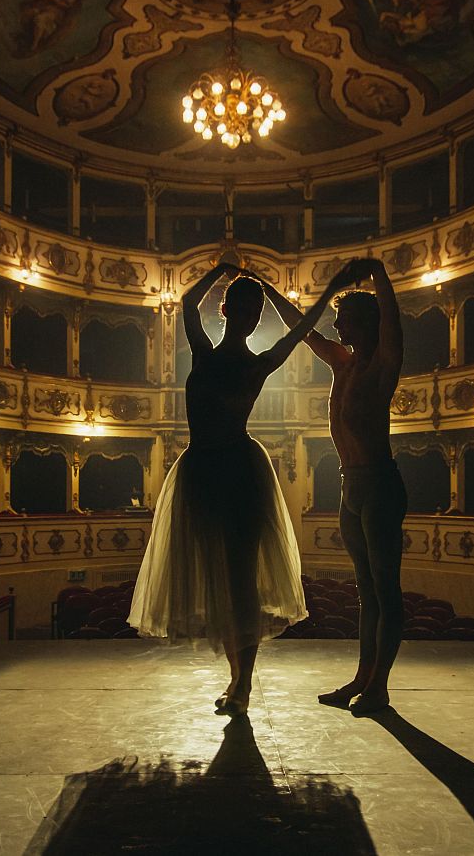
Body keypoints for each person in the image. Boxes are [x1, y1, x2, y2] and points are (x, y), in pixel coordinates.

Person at [129, 260, 360, 715]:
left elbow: (302, 330)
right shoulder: (206, 351)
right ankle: (236, 681)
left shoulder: (254, 361)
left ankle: (244, 686)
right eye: (244, 306)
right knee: (222, 578)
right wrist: (221, 267)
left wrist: (279, 289)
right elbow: (185, 303)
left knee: (239, 581)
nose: (251, 315)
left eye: (255, 308)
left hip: (236, 471)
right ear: (228, 309)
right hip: (205, 471)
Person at [256, 257, 406, 715]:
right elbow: (303, 328)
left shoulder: (383, 363)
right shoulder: (342, 363)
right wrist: (265, 290)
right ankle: (362, 678)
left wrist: (377, 270)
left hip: (379, 485)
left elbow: (392, 317)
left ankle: (378, 686)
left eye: (343, 320)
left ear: (363, 322)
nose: (336, 326)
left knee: (386, 590)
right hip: (350, 488)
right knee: (366, 592)